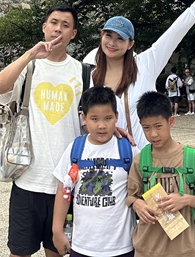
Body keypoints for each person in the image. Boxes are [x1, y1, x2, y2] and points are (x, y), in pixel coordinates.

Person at [0, 3, 87, 257]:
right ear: (44, 28)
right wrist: (31, 54)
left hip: (65, 183)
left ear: (73, 34)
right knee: (19, 252)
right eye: (54, 23)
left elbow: (94, 119)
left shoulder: (82, 72)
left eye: (66, 25)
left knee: (57, 252)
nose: (58, 29)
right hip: (27, 179)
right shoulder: (29, 68)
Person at [90, 0, 195, 147]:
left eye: (120, 38)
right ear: (101, 36)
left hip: (144, 158)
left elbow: (174, 34)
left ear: (130, 44)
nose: (112, 43)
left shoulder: (146, 64)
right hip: (108, 160)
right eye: (108, 36)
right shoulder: (90, 74)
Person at [127, 91, 195, 257]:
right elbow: (131, 196)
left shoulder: (191, 158)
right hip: (146, 249)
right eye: (146, 128)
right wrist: (137, 205)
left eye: (158, 126)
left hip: (183, 250)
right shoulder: (141, 160)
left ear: (171, 121)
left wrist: (185, 200)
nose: (153, 134)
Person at [52, 86, 139, 257]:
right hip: (82, 246)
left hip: (122, 247)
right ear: (83, 118)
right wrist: (57, 230)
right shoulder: (76, 148)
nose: (101, 125)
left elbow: (144, 187)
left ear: (116, 117)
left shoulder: (128, 150)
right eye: (94, 118)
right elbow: (64, 189)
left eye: (108, 118)